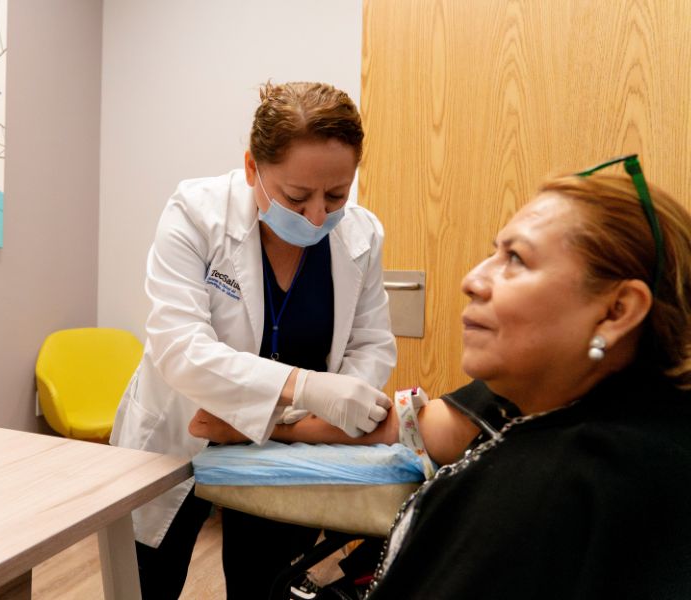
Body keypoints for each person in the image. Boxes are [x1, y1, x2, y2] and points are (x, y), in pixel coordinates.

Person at [109, 81, 397, 599]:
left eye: (336, 195)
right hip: (180, 435)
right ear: (251, 169)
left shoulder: (362, 234)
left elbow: (371, 342)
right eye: (295, 196)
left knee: (264, 586)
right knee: (148, 582)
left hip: (281, 450)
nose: (317, 216)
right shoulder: (196, 213)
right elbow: (180, 348)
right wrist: (306, 387)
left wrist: (328, 407)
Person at [363, 156, 691, 598]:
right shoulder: (644, 426)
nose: (473, 279)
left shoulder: (549, 488)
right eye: (493, 251)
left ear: (617, 311)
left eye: (515, 258)